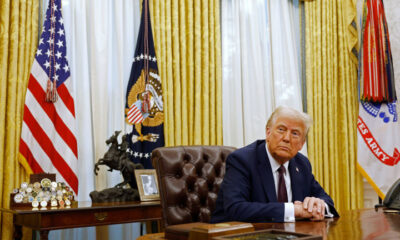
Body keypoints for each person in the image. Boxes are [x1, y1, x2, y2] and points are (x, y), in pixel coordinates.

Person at [211, 106, 339, 223]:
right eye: (281, 129)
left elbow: (327, 201)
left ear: (301, 144)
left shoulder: (302, 164)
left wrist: (318, 205)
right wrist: (293, 210)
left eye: (295, 133)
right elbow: (236, 209)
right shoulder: (242, 160)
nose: (286, 138)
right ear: (268, 133)